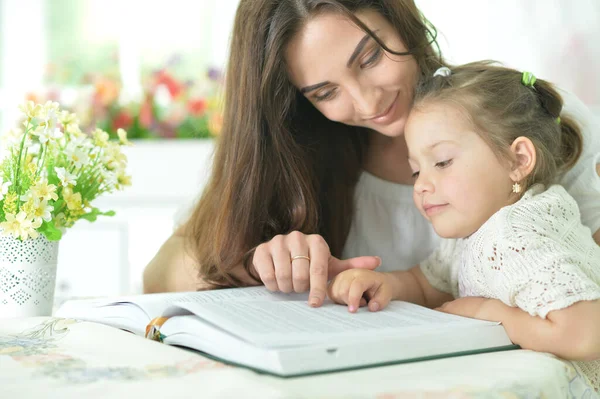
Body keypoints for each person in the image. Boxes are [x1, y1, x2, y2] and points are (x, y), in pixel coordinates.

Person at [143, 0, 600, 308]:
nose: (367, 103)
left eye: (369, 58)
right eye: (325, 92)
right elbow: (159, 274)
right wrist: (259, 262)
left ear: (401, 20)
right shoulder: (294, 154)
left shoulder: (527, 117)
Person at [327, 62, 600, 388]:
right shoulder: (478, 229)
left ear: (518, 160)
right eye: (416, 171)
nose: (421, 185)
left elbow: (586, 334)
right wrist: (384, 284)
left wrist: (489, 313)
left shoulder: (519, 234)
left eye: (442, 162)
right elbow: (431, 282)